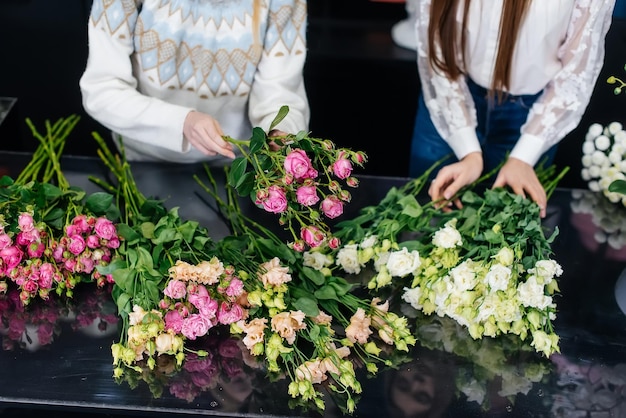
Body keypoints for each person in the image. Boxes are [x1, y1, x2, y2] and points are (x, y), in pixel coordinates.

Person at [409, 0, 616, 218]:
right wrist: (467, 149)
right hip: (448, 97)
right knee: (422, 215)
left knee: (503, 234)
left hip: (534, 115)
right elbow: (436, 40)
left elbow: (576, 72)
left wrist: (523, 157)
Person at [79, 0, 310, 164]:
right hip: (143, 162)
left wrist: (279, 135)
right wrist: (182, 121)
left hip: (240, 168)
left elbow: (279, 91)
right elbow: (102, 89)